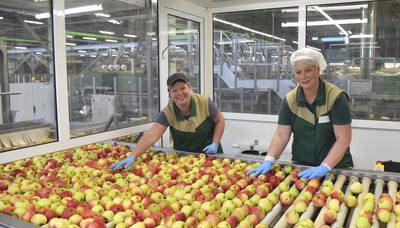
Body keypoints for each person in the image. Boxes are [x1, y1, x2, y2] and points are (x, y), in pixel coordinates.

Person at [246, 48, 353, 180]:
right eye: (298, 72)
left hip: (336, 168)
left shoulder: (335, 98)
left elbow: (343, 138)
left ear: (318, 70)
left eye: (308, 70)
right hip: (302, 168)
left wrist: (325, 166)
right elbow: (281, 135)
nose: (303, 76)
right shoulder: (290, 100)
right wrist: (269, 159)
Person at [111, 73, 225, 170]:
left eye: (183, 88)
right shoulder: (168, 112)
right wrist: (133, 156)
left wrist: (215, 143)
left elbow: (220, 120)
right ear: (170, 93)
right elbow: (152, 135)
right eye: (174, 90)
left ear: (189, 88)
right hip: (185, 162)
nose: (180, 93)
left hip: (211, 157)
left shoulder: (204, 102)